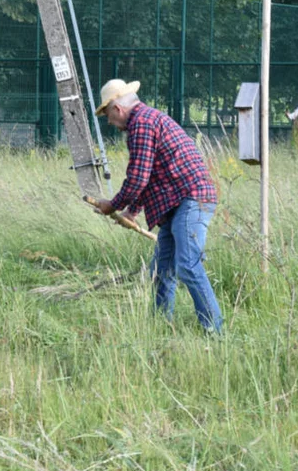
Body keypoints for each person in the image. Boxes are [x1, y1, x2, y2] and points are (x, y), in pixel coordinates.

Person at [92, 79, 223, 334]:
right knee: (161, 272)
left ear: (118, 109)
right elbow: (151, 175)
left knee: (187, 265)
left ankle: (214, 332)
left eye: (107, 115)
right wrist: (132, 210)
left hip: (190, 200)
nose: (109, 122)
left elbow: (139, 177)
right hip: (177, 206)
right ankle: (161, 329)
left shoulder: (140, 124)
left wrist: (113, 205)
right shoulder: (148, 119)